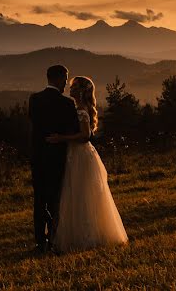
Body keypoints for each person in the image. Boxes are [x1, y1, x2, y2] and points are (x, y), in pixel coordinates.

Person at [47, 76, 128, 253]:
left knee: (82, 194)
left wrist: (61, 138)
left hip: (80, 155)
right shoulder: (77, 108)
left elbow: (84, 136)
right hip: (74, 154)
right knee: (76, 193)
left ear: (82, 91)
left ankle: (87, 236)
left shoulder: (81, 111)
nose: (71, 88)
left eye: (75, 86)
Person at [28, 64, 80, 253]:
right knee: (55, 201)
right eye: (66, 79)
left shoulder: (34, 100)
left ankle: (40, 241)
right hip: (57, 158)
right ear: (58, 78)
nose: (66, 83)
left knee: (39, 201)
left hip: (38, 157)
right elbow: (74, 129)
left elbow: (35, 125)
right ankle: (54, 238)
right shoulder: (67, 104)